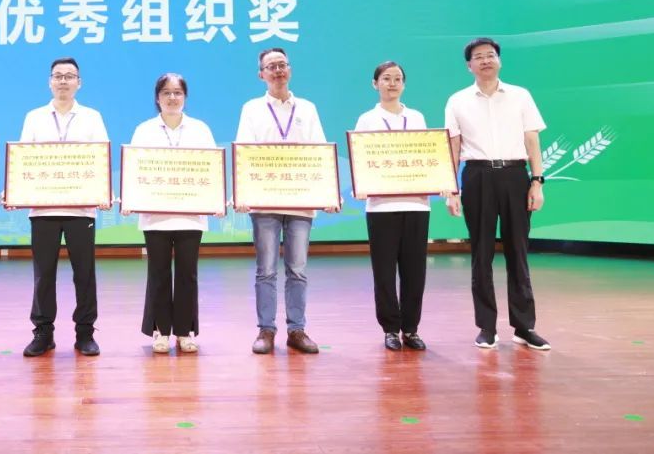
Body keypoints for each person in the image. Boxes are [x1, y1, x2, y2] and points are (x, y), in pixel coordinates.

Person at [444, 37, 550, 350]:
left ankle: (524, 327)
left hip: (515, 175)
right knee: (482, 253)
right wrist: (452, 190)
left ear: (499, 61)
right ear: (469, 66)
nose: (485, 60)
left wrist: (537, 181)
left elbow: (532, 140)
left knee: (518, 251)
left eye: (490, 55)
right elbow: (453, 147)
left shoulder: (520, 95)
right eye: (478, 57)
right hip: (477, 176)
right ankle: (486, 327)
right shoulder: (457, 100)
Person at [235, 47, 338, 356]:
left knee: (298, 269)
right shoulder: (252, 109)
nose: (277, 70)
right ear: (261, 75)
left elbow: (320, 151)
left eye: (282, 64)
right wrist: (242, 194)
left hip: (300, 202)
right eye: (271, 66)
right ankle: (266, 330)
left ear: (290, 70)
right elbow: (244, 152)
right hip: (264, 202)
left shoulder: (307, 108)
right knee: (265, 270)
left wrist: (329, 194)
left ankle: (297, 330)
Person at [18, 57, 109, 357]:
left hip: (81, 210)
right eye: (58, 76)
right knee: (43, 274)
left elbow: (101, 159)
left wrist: (102, 192)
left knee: (84, 273)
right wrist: (17, 192)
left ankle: (85, 333)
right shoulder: (34, 117)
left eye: (69, 76)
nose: (63, 81)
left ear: (79, 83)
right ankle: (43, 332)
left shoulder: (92, 117)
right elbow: (23, 159)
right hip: (43, 210)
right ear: (49, 82)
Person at [126, 73, 222, 354]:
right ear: (157, 98)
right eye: (166, 92)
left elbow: (211, 169)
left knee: (187, 274)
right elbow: (134, 169)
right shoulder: (144, 130)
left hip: (190, 215)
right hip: (155, 216)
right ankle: (160, 331)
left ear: (185, 97)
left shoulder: (200, 129)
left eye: (177, 92)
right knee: (158, 273)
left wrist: (216, 200)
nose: (172, 97)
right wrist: (130, 198)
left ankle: (184, 331)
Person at [353, 61, 431, 352]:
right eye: (386, 78)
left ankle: (411, 329)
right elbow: (360, 159)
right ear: (375, 84)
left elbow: (429, 155)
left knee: (415, 271)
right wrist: (361, 185)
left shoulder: (417, 117)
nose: (392, 83)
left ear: (404, 84)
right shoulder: (367, 120)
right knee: (384, 272)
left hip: (417, 204)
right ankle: (390, 329)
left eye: (398, 78)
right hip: (380, 207)